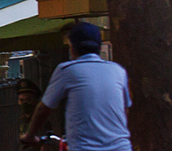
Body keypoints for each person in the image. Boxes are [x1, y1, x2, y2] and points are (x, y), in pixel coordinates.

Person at [21, 22, 130, 151]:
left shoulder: (68, 70)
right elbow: (125, 110)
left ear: (72, 47)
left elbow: (43, 109)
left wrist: (30, 135)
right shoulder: (118, 71)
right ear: (99, 47)